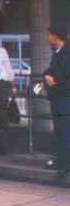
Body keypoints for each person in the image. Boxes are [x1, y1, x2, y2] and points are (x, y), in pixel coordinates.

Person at [41, 25, 70, 179]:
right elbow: (49, 72)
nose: (48, 38)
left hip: (64, 100)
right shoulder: (58, 53)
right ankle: (62, 161)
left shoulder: (66, 54)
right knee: (60, 132)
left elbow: (60, 77)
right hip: (58, 100)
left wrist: (50, 79)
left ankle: (65, 166)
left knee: (64, 133)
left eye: (49, 35)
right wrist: (46, 77)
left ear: (56, 36)